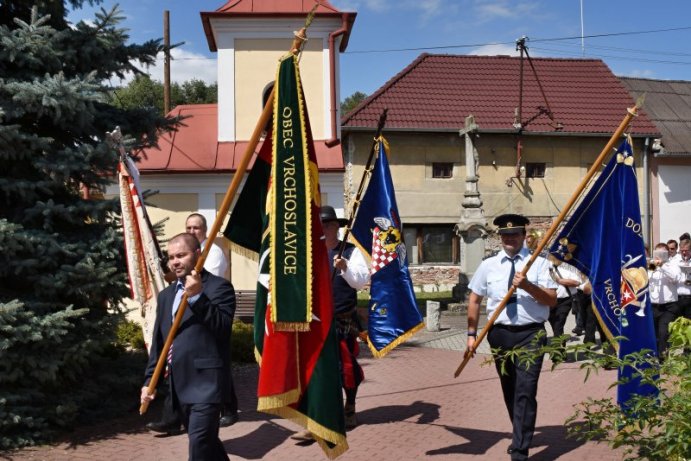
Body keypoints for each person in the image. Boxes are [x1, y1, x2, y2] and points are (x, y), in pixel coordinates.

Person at [465, 214, 557, 461]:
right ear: (500, 238)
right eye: (505, 235)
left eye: (514, 234)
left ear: (524, 236)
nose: (510, 239)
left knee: (526, 390)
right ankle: (520, 432)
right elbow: (474, 300)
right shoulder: (489, 265)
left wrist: (527, 286)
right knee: (510, 389)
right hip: (499, 335)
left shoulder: (539, 263)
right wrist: (471, 335)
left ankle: (519, 450)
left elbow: (551, 300)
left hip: (531, 334)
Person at [141, 233, 234, 461]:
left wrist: (198, 297)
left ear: (198, 254)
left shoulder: (218, 288)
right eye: (172, 257)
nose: (175, 262)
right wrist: (148, 382)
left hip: (207, 384)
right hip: (179, 385)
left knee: (199, 444)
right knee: (208, 444)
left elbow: (222, 328)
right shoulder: (166, 296)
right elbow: (160, 343)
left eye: (181, 255)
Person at [291, 205, 370, 442]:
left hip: (341, 319)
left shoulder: (350, 251)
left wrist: (344, 268)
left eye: (329, 225)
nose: (325, 229)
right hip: (314, 322)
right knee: (315, 371)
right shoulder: (307, 253)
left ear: (337, 227)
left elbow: (360, 282)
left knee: (345, 369)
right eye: (321, 225)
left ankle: (350, 406)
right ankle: (319, 419)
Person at [185, 213, 238, 427]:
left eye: (196, 228)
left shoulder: (213, 252)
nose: (192, 232)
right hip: (194, 311)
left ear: (205, 230)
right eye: (188, 228)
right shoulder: (188, 253)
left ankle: (229, 408)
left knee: (219, 364)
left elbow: (209, 283)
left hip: (212, 311)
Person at [648, 242, 682, 359]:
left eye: (662, 252)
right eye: (657, 252)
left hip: (669, 306)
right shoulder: (652, 265)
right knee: (653, 333)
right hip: (653, 305)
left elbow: (675, 278)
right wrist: (653, 266)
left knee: (663, 332)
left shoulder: (672, 265)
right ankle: (654, 356)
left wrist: (662, 266)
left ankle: (662, 357)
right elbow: (647, 278)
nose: (660, 255)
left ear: (667, 253)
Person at [674, 239, 691, 319]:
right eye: (682, 251)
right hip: (677, 298)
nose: (684, 253)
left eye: (686, 250)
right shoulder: (674, 262)